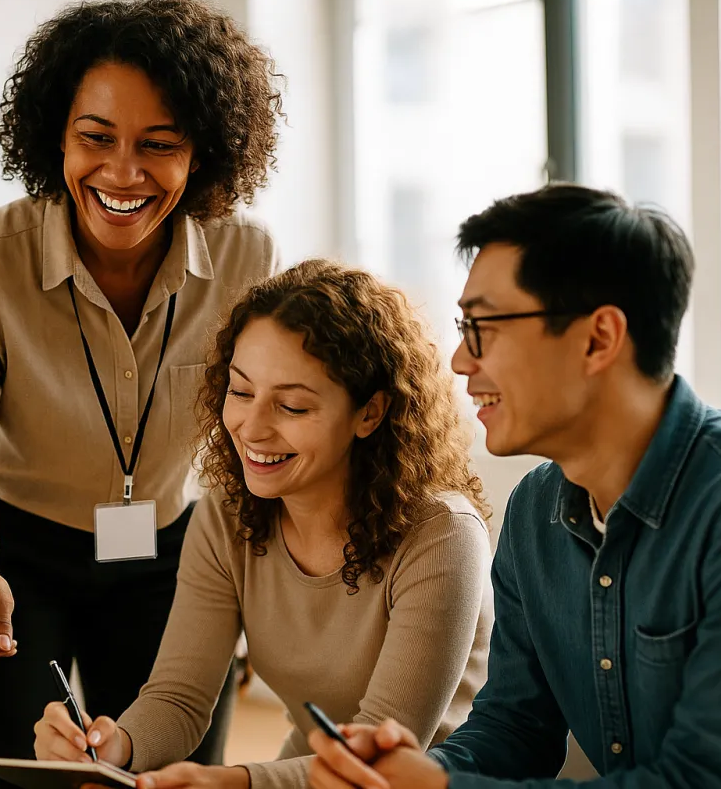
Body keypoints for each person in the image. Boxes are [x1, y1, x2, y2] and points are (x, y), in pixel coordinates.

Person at [0, 0, 283, 788]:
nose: (122, 173)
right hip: (12, 560)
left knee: (166, 779)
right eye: (96, 139)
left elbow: (272, 440)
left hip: (173, 555)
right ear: (56, 138)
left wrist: (259, 593)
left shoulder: (247, 255)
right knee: (20, 779)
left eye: (159, 146)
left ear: (203, 154)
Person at [307, 183, 721, 789]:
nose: (457, 361)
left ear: (598, 338)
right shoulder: (536, 510)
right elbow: (515, 728)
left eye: (482, 327)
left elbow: (697, 780)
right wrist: (416, 772)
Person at [33, 260, 494, 789]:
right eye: (241, 391)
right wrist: (114, 745)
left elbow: (380, 751)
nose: (251, 428)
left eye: (292, 407)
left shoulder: (442, 535)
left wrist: (234, 783)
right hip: (310, 772)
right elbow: (179, 696)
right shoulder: (228, 517)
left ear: (370, 413)